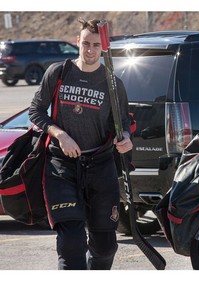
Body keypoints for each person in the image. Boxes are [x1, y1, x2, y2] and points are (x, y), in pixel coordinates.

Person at [28, 18, 133, 270]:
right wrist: (59, 134)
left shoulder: (113, 83)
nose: (89, 50)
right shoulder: (59, 72)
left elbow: (123, 123)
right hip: (62, 168)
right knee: (71, 243)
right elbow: (36, 111)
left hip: (100, 167)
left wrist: (126, 139)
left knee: (106, 246)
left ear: (103, 48)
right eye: (85, 43)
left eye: (95, 45)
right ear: (77, 41)